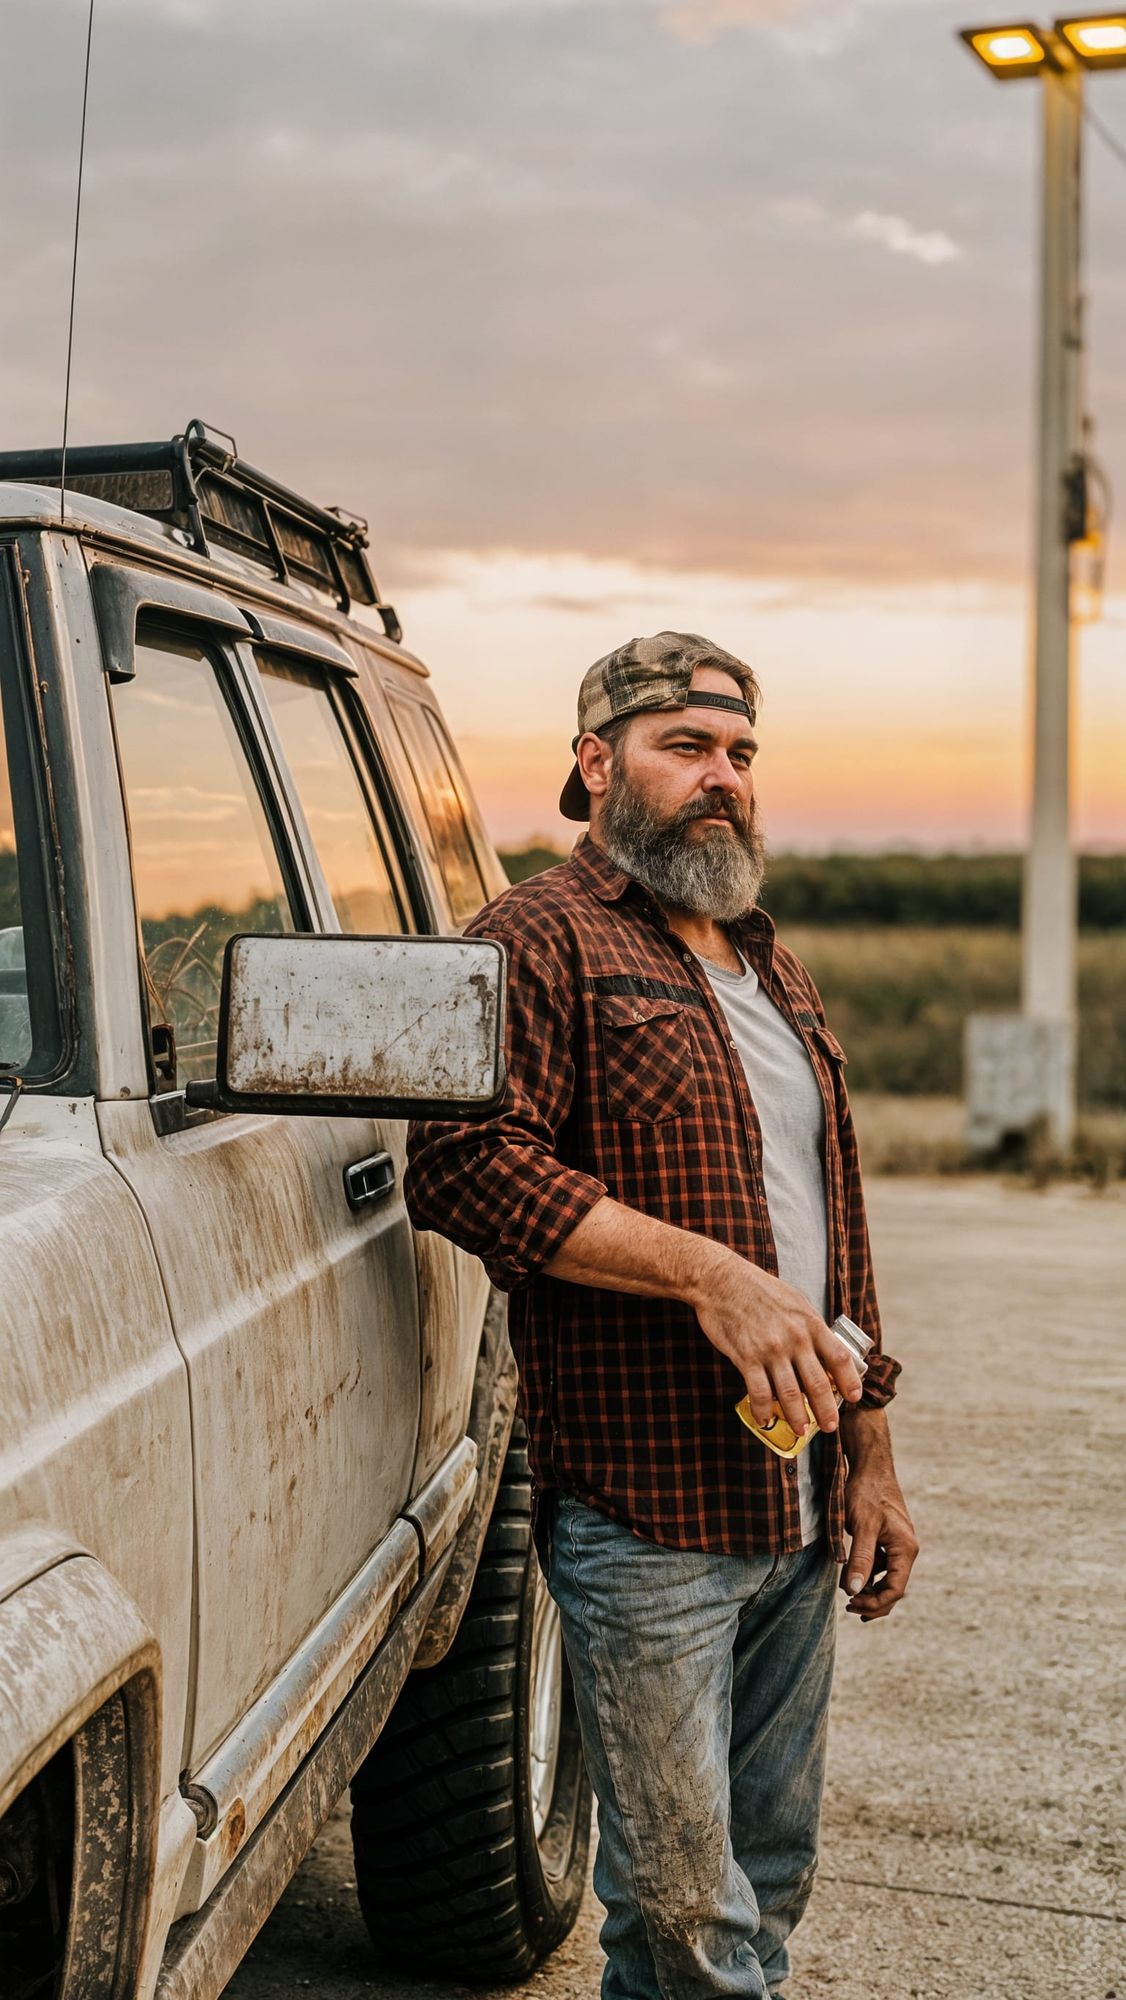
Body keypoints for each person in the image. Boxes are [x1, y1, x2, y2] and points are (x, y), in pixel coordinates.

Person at [405, 632, 918, 2000]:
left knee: (773, 1871)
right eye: (683, 748)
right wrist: (712, 1276)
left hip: (797, 1505)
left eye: (740, 754)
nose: (720, 780)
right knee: (684, 1915)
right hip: (647, 1517)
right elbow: (465, 1162)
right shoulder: (538, 937)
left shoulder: (769, 964)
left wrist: (870, 1458)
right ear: (595, 762)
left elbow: (835, 1232)